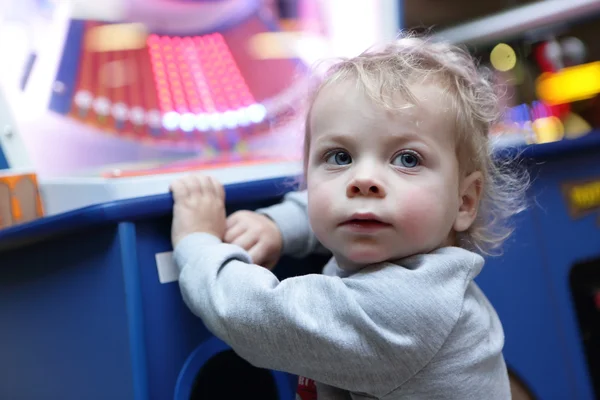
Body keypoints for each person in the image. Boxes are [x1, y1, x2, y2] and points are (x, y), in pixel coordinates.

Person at [169, 35, 527, 399]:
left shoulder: (404, 309)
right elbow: (329, 205)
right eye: (340, 157)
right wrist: (278, 226)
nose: (363, 180)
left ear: (464, 201)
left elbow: (250, 315)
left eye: (407, 159)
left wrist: (196, 242)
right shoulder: (418, 257)